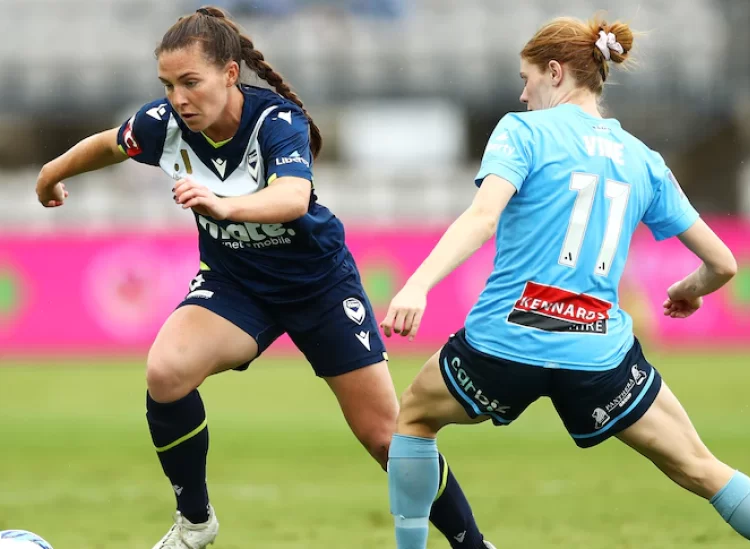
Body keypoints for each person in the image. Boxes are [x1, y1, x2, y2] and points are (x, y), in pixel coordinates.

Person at [35, 6, 495, 549]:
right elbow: (111, 143)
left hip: (318, 285)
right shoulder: (165, 124)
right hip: (237, 285)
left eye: (190, 82)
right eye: (168, 85)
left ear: (229, 74)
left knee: (385, 437)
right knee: (166, 372)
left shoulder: (274, 121)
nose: (179, 98)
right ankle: (195, 523)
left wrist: (225, 207)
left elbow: (293, 197)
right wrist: (52, 173)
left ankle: (472, 544)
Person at [380, 16, 750, 549]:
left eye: (526, 76)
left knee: (413, 419)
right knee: (699, 466)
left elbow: (484, 218)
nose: (522, 92)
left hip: (508, 341)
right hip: (598, 355)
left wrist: (418, 285)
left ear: (554, 72)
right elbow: (724, 264)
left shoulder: (521, 131)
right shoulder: (644, 160)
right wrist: (689, 290)